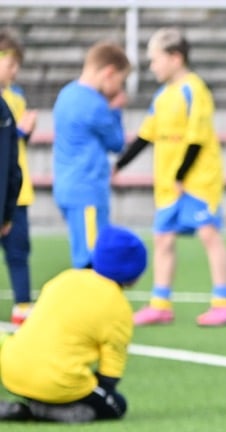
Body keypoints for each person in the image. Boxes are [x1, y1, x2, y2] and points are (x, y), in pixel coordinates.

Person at [116, 27, 226, 328]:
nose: (152, 66)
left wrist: (182, 174)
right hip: (169, 184)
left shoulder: (194, 90)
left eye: (155, 60)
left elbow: (197, 137)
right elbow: (146, 136)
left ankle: (222, 302)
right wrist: (119, 165)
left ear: (175, 57)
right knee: (163, 239)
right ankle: (160, 303)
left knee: (208, 234)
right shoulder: (162, 95)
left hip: (197, 180)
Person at [0, 225, 146, 423]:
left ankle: (30, 402)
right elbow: (112, 366)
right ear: (134, 273)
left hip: (11, 369)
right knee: (117, 405)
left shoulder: (65, 278)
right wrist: (103, 389)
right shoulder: (118, 307)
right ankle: (44, 410)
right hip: (55, 381)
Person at [51, 40, 130, 270]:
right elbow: (117, 142)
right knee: (93, 259)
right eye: (120, 81)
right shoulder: (95, 104)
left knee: (83, 251)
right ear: (109, 73)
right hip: (87, 191)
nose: (118, 88)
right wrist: (115, 110)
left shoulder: (66, 94)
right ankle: (91, 305)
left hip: (67, 186)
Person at [0, 31, 36, 325]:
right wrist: (21, 131)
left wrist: (26, 132)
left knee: (18, 250)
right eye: (10, 64)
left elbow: (14, 147)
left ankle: (23, 305)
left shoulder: (17, 97)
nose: (14, 71)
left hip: (15, 194)